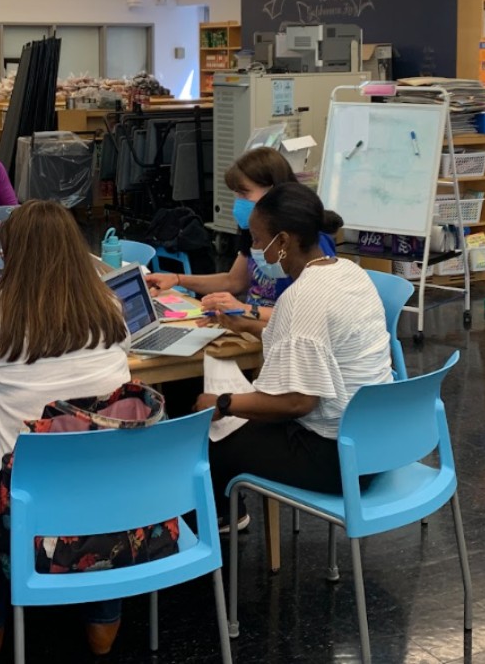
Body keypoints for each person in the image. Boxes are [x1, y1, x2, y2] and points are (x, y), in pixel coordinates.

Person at [0, 200, 131, 660]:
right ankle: (102, 622)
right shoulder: (108, 302)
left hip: (26, 487)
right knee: (89, 498)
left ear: (9, 252)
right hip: (106, 481)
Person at [193, 183, 392, 528]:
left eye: (257, 240)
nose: (255, 249)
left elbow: (298, 402)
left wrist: (223, 403)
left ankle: (205, 537)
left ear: (283, 241)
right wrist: (248, 326)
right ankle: (221, 518)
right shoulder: (349, 271)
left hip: (336, 458)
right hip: (379, 443)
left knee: (204, 444)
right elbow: (311, 339)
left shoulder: (301, 297)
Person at [145, 147, 341, 331]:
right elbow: (234, 281)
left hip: (275, 333)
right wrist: (177, 279)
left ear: (272, 191)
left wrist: (244, 310)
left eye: (244, 193)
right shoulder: (256, 231)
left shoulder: (309, 242)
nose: (238, 202)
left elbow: (305, 317)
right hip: (251, 327)